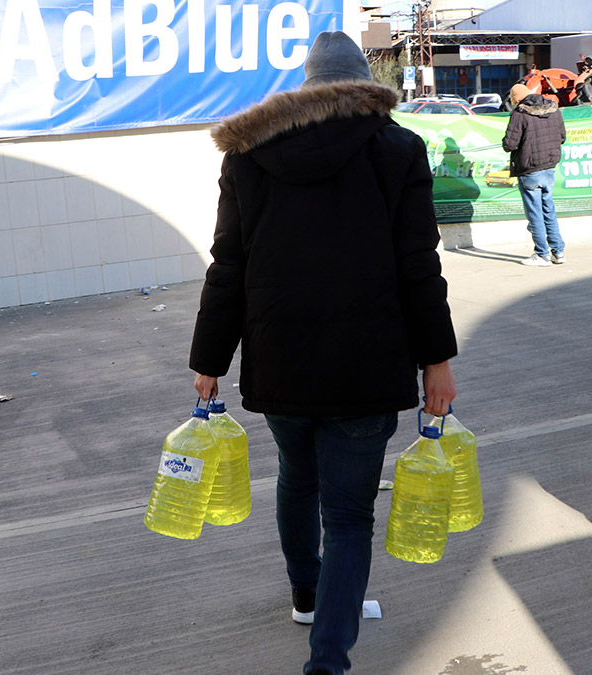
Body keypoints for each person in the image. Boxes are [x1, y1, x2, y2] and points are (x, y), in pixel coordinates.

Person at [188, 30, 458, 675]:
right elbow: (419, 263)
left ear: (306, 87)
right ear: (364, 84)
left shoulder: (248, 155)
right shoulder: (399, 148)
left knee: (296, 476)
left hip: (280, 356)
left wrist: (209, 361)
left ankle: (307, 597)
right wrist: (437, 361)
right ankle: (328, 660)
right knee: (348, 516)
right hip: (368, 361)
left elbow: (228, 265)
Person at [502, 82, 567, 267]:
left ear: (516, 99)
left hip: (529, 169)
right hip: (549, 167)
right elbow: (562, 137)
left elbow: (510, 144)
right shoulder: (554, 109)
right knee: (549, 210)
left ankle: (542, 254)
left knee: (535, 214)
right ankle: (558, 252)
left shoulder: (519, 114)